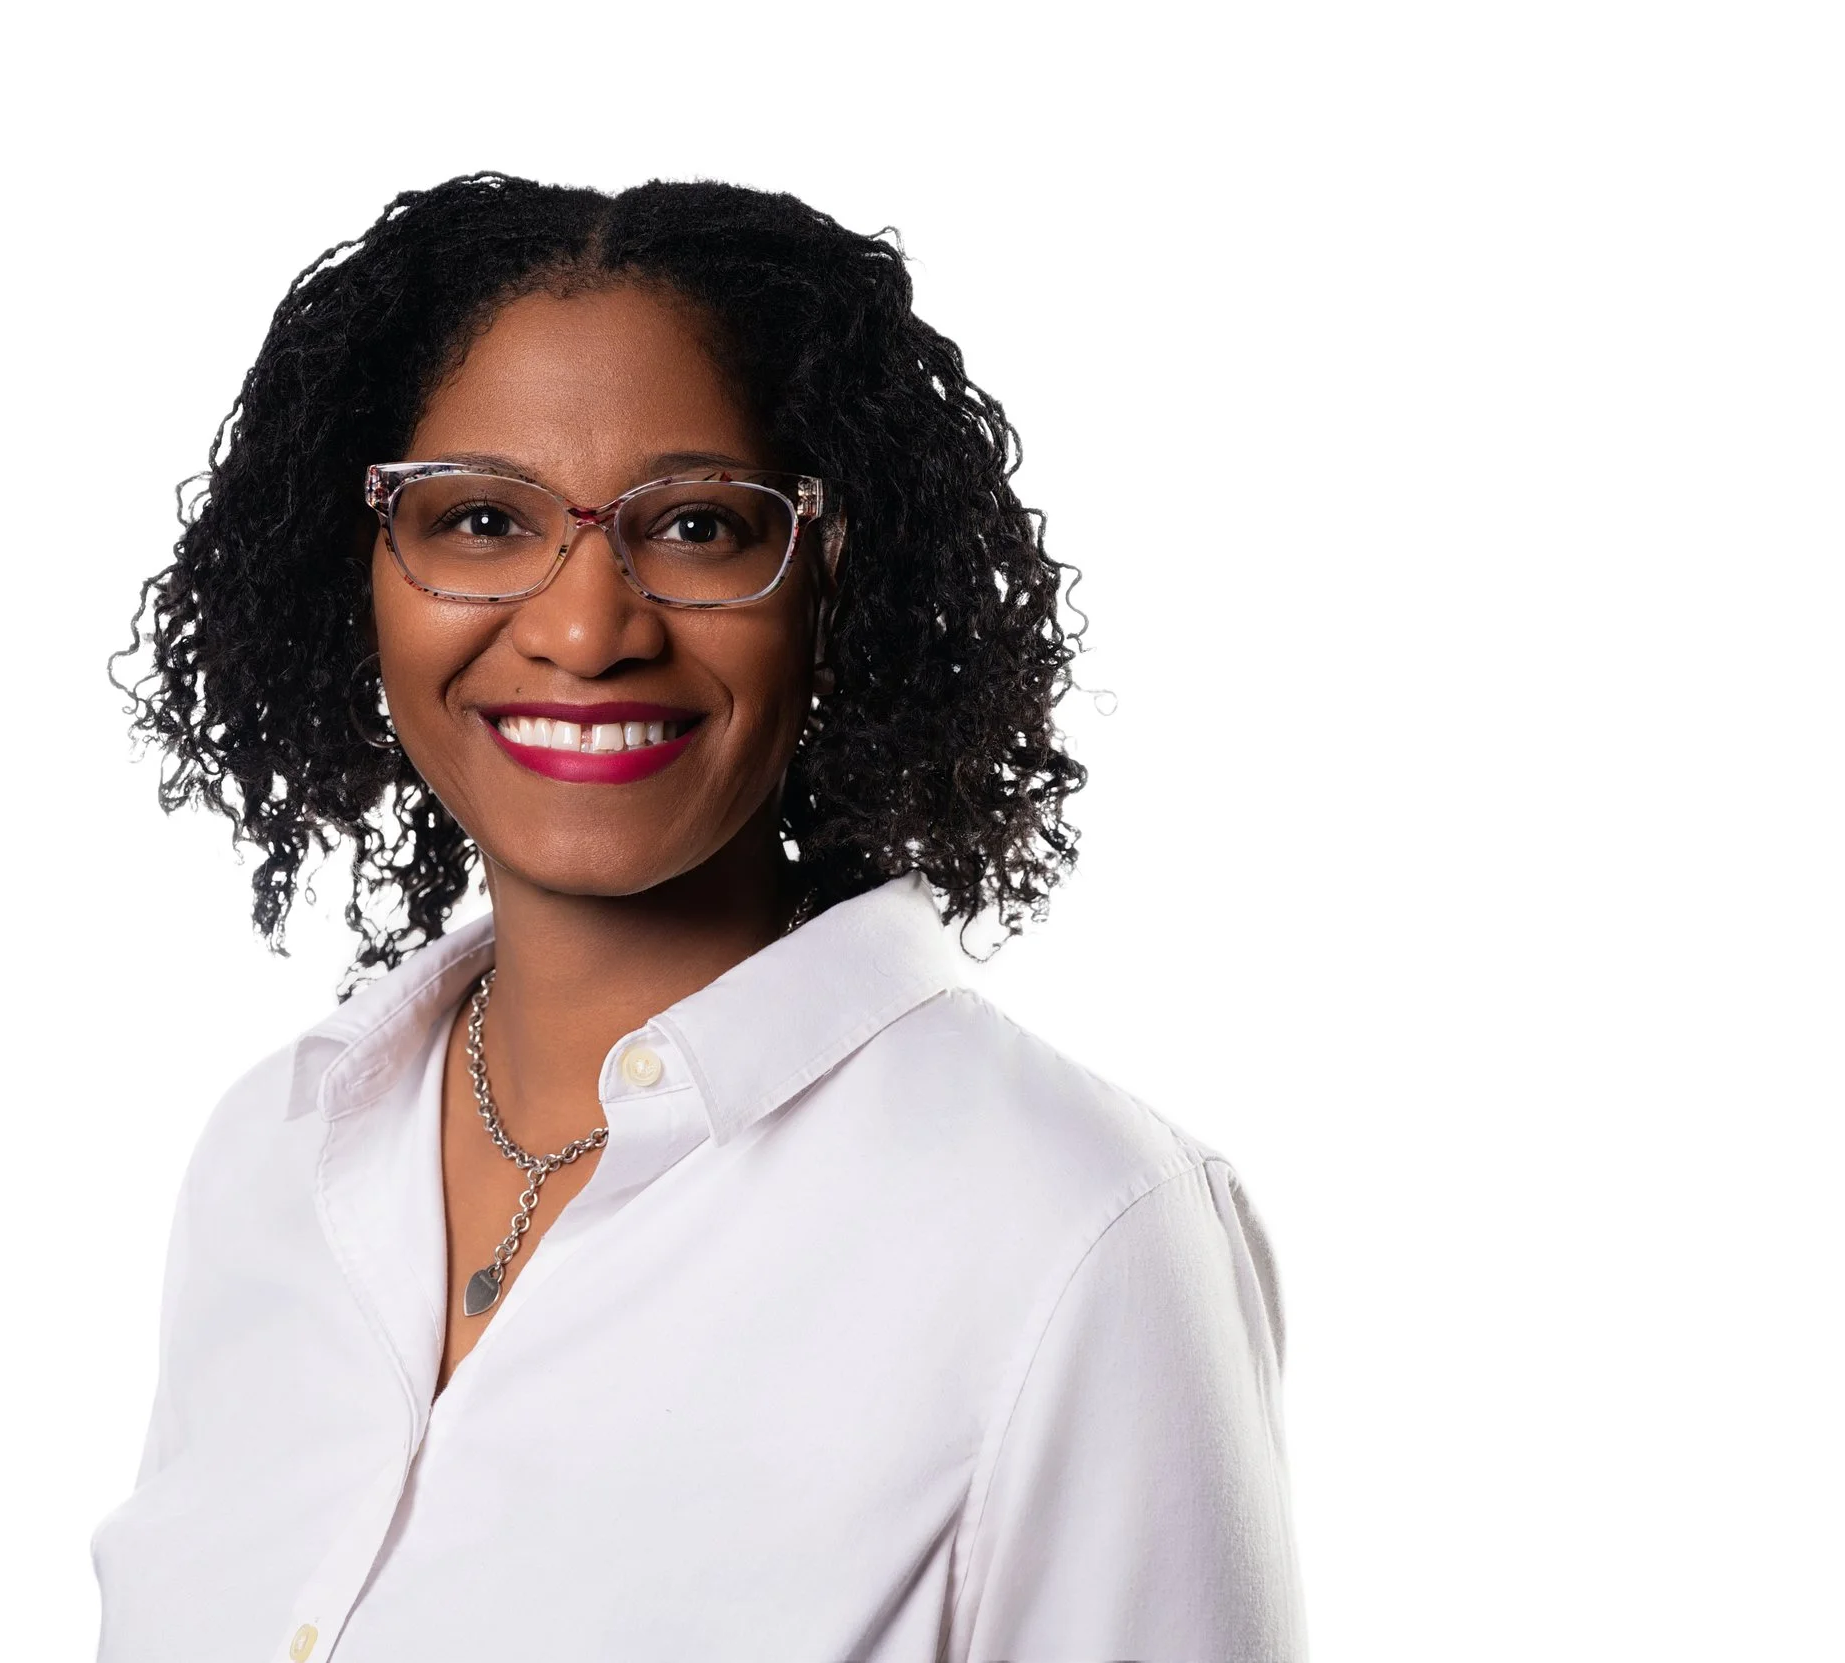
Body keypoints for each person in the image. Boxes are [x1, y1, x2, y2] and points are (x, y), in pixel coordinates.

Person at [95, 173, 1305, 1663]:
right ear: (364, 572)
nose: (588, 627)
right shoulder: (270, 1169)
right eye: (479, 519)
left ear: (829, 574)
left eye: (699, 528)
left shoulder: (1074, 1231)